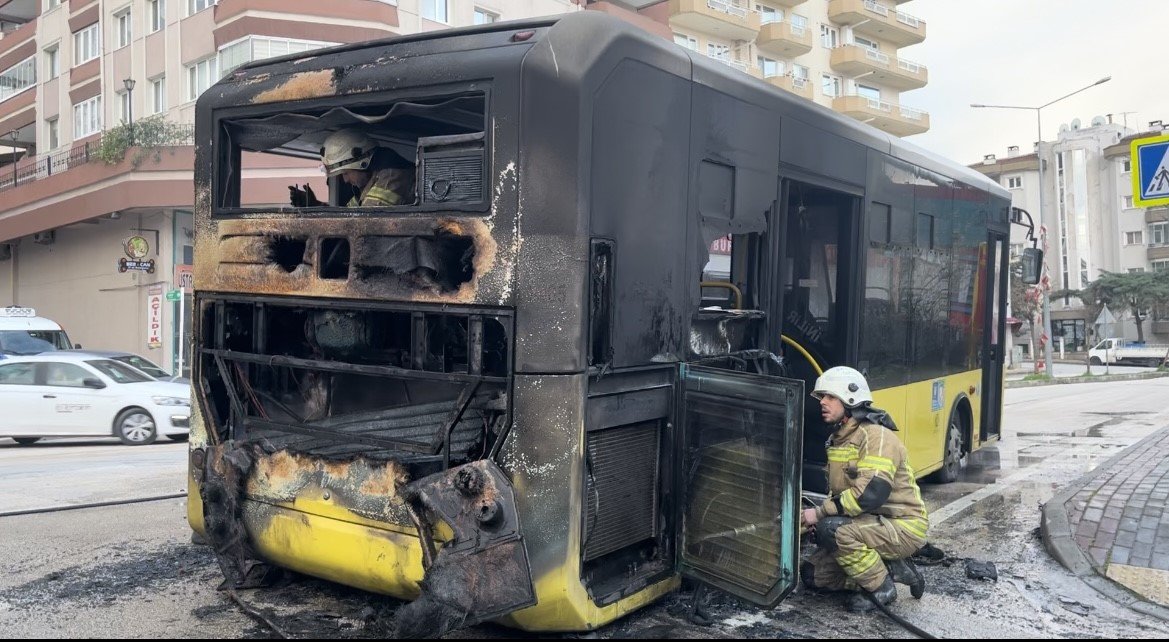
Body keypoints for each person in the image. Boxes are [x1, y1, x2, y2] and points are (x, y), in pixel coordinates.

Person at [799, 366, 928, 612]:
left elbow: (870, 493)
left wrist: (820, 514)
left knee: (832, 529)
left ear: (850, 399)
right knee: (812, 575)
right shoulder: (840, 439)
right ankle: (891, 569)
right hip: (869, 521)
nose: (822, 402)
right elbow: (839, 493)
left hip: (902, 525)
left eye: (830, 397)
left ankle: (882, 588)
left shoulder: (876, 437)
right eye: (822, 397)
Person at [289, 129, 416, 207]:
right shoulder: (367, 184)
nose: (345, 180)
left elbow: (362, 223)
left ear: (362, 163)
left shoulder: (392, 178)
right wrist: (314, 205)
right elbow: (347, 217)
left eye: (346, 173)